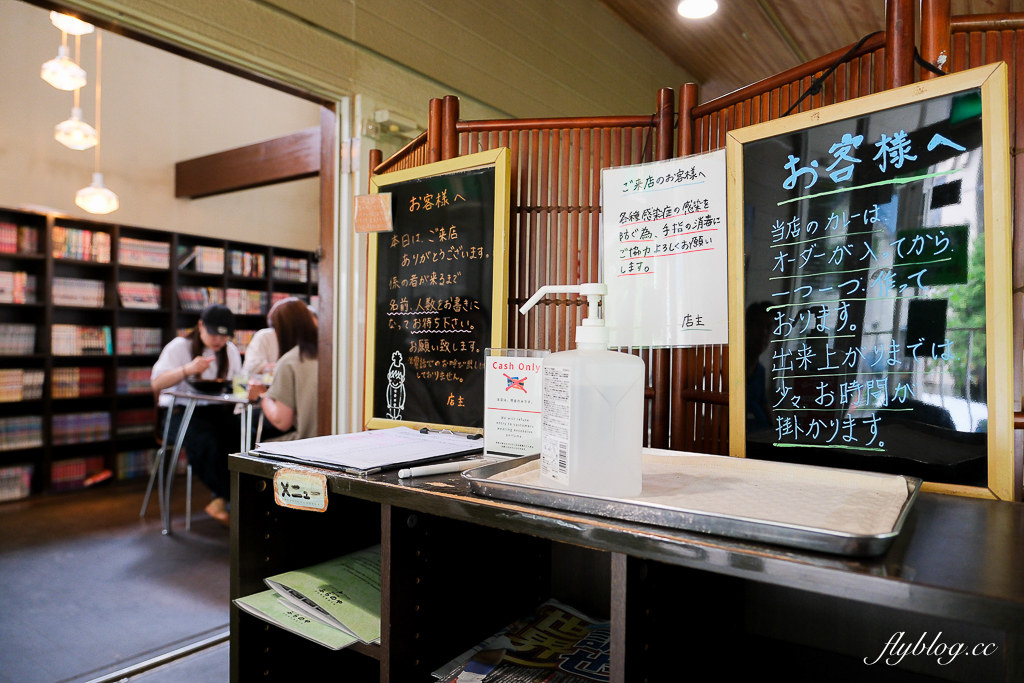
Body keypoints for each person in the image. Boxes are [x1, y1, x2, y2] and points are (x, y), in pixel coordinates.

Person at [150, 304, 241, 526]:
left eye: (224, 335)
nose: (218, 340)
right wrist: (186, 370)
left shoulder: (230, 351)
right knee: (207, 441)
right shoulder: (180, 347)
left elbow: (239, 386)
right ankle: (232, 501)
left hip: (215, 411)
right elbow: (156, 383)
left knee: (240, 438)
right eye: (212, 333)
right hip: (179, 413)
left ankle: (223, 500)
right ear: (200, 325)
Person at [249, 299, 318, 440]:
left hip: (306, 442)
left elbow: (282, 421)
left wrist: (262, 396)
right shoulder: (331, 356)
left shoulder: (289, 362)